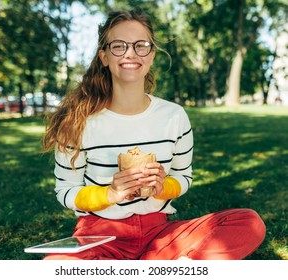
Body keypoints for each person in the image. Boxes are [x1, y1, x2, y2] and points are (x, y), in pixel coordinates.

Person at [42, 7, 266, 260]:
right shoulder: (77, 120)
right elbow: (66, 191)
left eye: (141, 45)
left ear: (151, 55)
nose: (130, 53)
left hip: (160, 235)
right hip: (99, 237)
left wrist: (162, 186)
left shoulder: (174, 116)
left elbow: (183, 177)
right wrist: (110, 194)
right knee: (55, 266)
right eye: (119, 45)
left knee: (249, 222)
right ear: (104, 56)